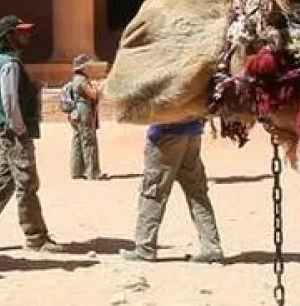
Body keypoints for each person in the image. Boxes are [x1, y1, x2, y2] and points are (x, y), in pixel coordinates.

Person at [0, 14, 58, 252]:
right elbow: (9, 100)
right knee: (26, 182)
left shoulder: (2, 60)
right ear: (9, 36)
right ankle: (36, 236)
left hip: (3, 130)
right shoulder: (9, 63)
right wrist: (20, 129)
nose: (26, 35)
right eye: (20, 32)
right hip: (12, 132)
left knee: (4, 182)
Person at [123, 119, 225, 263]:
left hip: (166, 133)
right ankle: (212, 247)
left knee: (154, 192)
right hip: (193, 133)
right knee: (197, 193)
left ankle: (145, 248)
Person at [64, 53, 104, 180]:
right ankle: (93, 172)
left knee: (77, 140)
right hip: (84, 110)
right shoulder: (82, 80)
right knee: (89, 140)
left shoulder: (74, 79)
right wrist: (100, 88)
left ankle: (76, 171)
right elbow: (93, 94)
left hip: (76, 112)